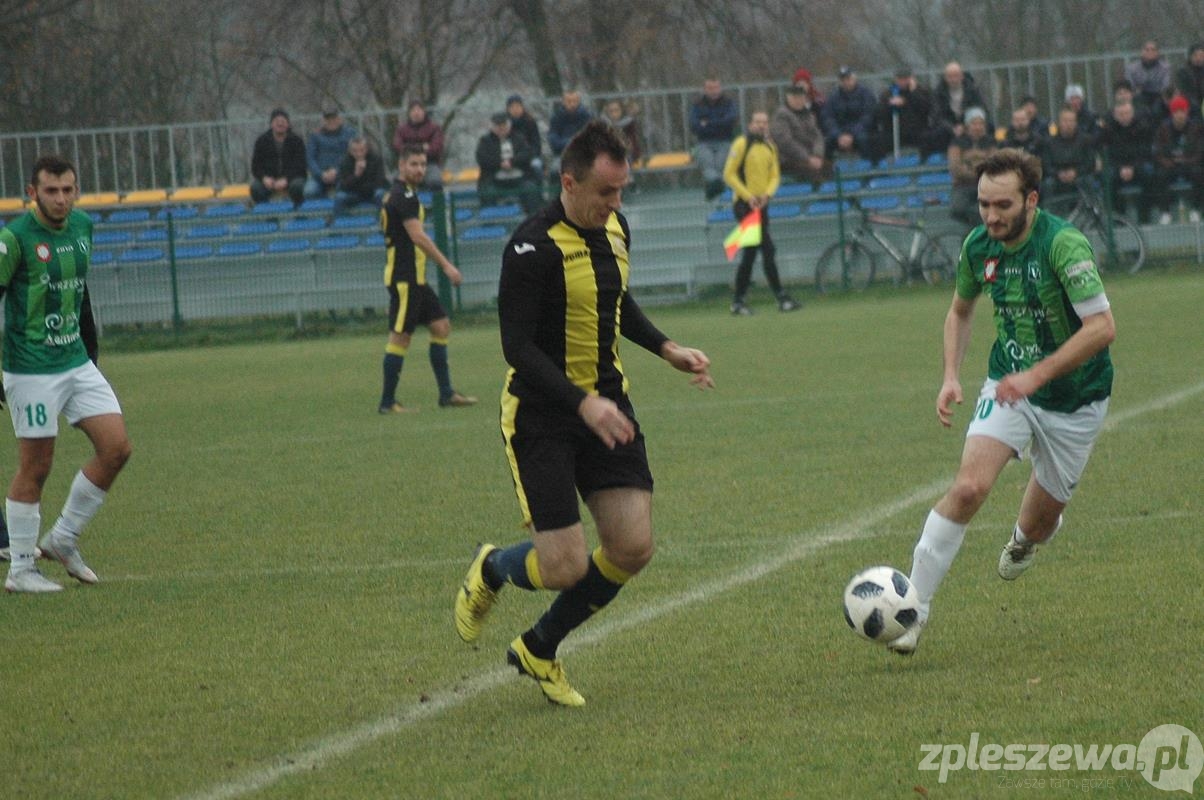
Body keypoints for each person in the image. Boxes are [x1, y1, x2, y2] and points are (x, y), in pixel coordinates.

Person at [453, 120, 714, 706]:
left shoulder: (616, 231)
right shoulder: (531, 247)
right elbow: (516, 348)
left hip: (606, 407)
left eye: (621, 192)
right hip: (544, 416)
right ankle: (493, 567)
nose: (616, 205)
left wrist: (667, 348)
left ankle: (539, 648)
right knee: (566, 565)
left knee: (632, 547)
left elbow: (614, 301)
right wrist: (581, 402)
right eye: (605, 193)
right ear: (569, 183)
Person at [891, 147, 1116, 655]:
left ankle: (1025, 538)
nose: (991, 216)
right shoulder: (977, 247)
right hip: (1008, 384)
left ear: (1031, 200)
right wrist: (951, 374)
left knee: (1038, 524)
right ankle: (913, 608)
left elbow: (1102, 328)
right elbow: (960, 311)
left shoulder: (1064, 245)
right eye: (983, 205)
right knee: (969, 488)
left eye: (1003, 206)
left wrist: (1038, 374)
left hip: (1076, 398)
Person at [0, 154, 133, 593]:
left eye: (68, 190)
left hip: (75, 361)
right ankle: (20, 570)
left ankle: (63, 538)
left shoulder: (83, 228)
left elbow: (79, 293)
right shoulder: (14, 239)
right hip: (31, 369)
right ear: (32, 193)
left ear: (76, 191)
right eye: (51, 191)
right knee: (36, 466)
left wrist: (90, 352)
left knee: (116, 448)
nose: (61, 199)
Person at [378, 145, 477, 413]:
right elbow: (418, 236)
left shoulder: (403, 194)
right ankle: (387, 402)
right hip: (405, 279)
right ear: (401, 165)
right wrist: (447, 266)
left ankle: (446, 394)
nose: (420, 169)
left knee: (441, 326)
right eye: (414, 164)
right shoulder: (404, 196)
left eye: (423, 164)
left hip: (415, 279)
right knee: (400, 338)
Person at [724, 110, 799, 315]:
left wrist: (767, 195)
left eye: (765, 122)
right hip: (744, 205)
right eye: (758, 122)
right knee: (767, 248)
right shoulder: (741, 144)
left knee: (750, 253)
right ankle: (781, 297)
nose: (761, 125)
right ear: (750, 124)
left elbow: (775, 175)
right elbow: (729, 174)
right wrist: (749, 196)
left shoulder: (770, 147)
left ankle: (739, 302)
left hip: (761, 205)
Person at [475, 112, 543, 214]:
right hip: (494, 179)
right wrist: (499, 164)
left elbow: (527, 153)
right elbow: (482, 158)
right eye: (498, 127)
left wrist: (512, 162)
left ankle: (533, 219)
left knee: (531, 189)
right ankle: (490, 224)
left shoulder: (519, 138)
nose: (501, 129)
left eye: (504, 126)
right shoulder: (485, 141)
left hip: (520, 177)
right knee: (488, 192)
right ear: (493, 127)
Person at [1151, 95, 1204, 224]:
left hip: (1190, 163)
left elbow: (1200, 150)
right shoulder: (1163, 129)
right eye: (1176, 112)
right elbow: (1157, 151)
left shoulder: (1196, 128)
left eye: (1182, 111)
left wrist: (1187, 160)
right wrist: (1168, 162)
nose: (1180, 115)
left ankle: (1196, 209)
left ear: (1187, 112)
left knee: (1199, 174)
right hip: (1170, 164)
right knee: (1160, 175)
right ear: (1172, 113)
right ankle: (1165, 212)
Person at [1098, 99, 1154, 223]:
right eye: (1121, 114)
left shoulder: (1142, 128)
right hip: (1117, 168)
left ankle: (1145, 218)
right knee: (1108, 179)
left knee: (1149, 174)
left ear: (1132, 113)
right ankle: (1117, 220)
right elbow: (1107, 155)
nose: (1124, 117)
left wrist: (1132, 168)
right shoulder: (1108, 131)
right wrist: (1120, 169)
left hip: (1137, 166)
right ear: (1115, 115)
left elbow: (1145, 153)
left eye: (1127, 113)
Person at [927, 61, 992, 156]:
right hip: (947, 126)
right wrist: (952, 128)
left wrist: (967, 125)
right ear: (945, 78)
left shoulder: (972, 90)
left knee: (989, 127)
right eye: (950, 76)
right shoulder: (938, 93)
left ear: (961, 76)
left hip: (970, 123)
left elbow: (982, 109)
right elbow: (937, 115)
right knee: (936, 133)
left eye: (956, 76)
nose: (953, 79)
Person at [689, 78, 738, 200]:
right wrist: (718, 124)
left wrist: (707, 123)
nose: (714, 91)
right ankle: (719, 193)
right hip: (703, 143)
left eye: (716, 87)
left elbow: (730, 122)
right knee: (707, 165)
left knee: (720, 166)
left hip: (725, 141)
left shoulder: (729, 103)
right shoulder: (697, 104)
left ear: (720, 88)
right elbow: (694, 126)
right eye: (710, 88)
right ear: (705, 89)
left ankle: (714, 195)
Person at [771, 81, 829, 184]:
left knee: (829, 168)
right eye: (795, 97)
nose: (798, 101)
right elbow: (785, 142)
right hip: (788, 159)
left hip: (810, 157)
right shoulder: (782, 115)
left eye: (801, 98)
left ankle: (832, 198)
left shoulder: (808, 115)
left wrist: (817, 155)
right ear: (788, 98)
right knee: (812, 172)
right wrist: (807, 158)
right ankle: (815, 198)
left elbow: (817, 137)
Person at [1040, 105, 1098, 208]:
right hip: (1056, 177)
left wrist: (1075, 172)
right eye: (1065, 121)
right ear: (1059, 123)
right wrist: (1059, 174)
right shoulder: (1049, 142)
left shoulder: (1086, 140)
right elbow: (1046, 165)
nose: (1068, 124)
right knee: (1047, 184)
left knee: (1089, 181)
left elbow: (1090, 162)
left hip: (1080, 175)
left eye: (1071, 121)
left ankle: (1093, 212)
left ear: (1076, 123)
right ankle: (1049, 213)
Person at [947, 108, 997, 227]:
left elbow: (994, 164)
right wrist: (980, 166)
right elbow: (955, 167)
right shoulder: (957, 142)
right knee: (958, 209)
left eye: (980, 123)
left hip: (985, 186)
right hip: (962, 186)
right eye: (974, 123)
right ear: (967, 125)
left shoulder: (991, 142)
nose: (977, 127)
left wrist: (969, 161)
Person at [872, 67, 934, 160]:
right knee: (878, 141)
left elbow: (926, 108)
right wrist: (890, 105)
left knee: (928, 138)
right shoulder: (888, 93)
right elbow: (878, 113)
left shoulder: (922, 91)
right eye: (900, 79)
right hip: (894, 132)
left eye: (906, 79)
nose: (903, 82)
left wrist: (913, 93)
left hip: (917, 130)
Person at [250, 108, 307, 206]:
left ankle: (299, 216)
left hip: (292, 179)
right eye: (277, 121)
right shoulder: (261, 141)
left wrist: (286, 180)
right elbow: (255, 166)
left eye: (283, 121)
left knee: (298, 186)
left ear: (288, 124)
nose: (280, 124)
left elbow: (301, 166)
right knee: (255, 188)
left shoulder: (297, 141)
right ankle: (269, 218)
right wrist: (264, 178)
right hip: (269, 180)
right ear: (271, 124)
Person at [820, 65, 878, 159]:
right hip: (840, 132)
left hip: (861, 131)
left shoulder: (866, 95)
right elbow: (827, 118)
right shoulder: (833, 97)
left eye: (848, 79)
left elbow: (868, 117)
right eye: (843, 80)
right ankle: (828, 170)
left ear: (854, 78)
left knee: (863, 140)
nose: (846, 82)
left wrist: (852, 134)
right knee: (827, 142)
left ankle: (869, 168)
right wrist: (838, 134)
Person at [392, 101, 446, 189]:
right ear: (409, 113)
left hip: (430, 164)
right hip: (407, 165)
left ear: (424, 112)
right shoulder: (401, 129)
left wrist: (408, 147)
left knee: (435, 182)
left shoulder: (435, 128)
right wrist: (421, 147)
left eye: (419, 110)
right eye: (413, 110)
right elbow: (397, 147)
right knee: (395, 181)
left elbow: (436, 148)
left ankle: (437, 202)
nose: (416, 113)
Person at [304, 109, 357, 200]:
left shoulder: (350, 134)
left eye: (334, 118)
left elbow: (354, 155)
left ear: (340, 119)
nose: (331, 121)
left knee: (343, 193)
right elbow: (310, 158)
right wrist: (321, 174)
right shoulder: (314, 136)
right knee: (309, 192)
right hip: (320, 176)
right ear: (323, 121)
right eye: (328, 119)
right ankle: (320, 212)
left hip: (343, 175)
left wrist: (337, 171)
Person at [333, 136, 389, 216]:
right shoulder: (344, 161)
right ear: (350, 151)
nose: (359, 154)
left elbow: (380, 181)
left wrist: (364, 187)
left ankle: (385, 221)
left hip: (372, 192)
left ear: (367, 149)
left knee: (380, 194)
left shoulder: (376, 159)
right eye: (355, 151)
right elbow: (343, 185)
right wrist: (356, 175)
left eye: (362, 150)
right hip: (354, 193)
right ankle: (339, 223)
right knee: (339, 197)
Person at [547, 90, 592, 177]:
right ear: (563, 102)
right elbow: (553, 138)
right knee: (554, 171)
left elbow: (590, 138)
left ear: (579, 101)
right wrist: (570, 143)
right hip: (562, 154)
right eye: (568, 101)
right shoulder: (556, 117)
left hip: (583, 154)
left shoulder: (587, 117)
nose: (572, 104)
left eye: (574, 101)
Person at [1124, 39, 1172, 121]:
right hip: (1139, 96)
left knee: (1157, 110)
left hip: (1159, 95)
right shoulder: (1132, 68)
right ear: (1141, 52)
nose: (1150, 52)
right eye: (1147, 49)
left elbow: (1165, 86)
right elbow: (1130, 86)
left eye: (1153, 49)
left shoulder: (1165, 67)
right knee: (1141, 111)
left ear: (1158, 53)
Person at [506, 95, 544, 175]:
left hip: (530, 155)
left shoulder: (530, 122)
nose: (515, 109)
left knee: (536, 165)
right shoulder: (505, 124)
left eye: (518, 106)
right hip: (512, 157)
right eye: (512, 107)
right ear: (508, 109)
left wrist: (531, 155)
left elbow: (536, 143)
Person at [603, 99, 643, 164]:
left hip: (627, 154)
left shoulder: (629, 123)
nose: (614, 114)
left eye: (616, 110)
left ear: (621, 111)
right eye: (611, 111)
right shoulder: (603, 124)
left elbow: (632, 142)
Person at [1176, 42, 1204, 121]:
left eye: (1201, 55)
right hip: (1189, 103)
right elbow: (1183, 91)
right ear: (1190, 56)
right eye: (1195, 55)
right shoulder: (1183, 71)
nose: (1198, 58)